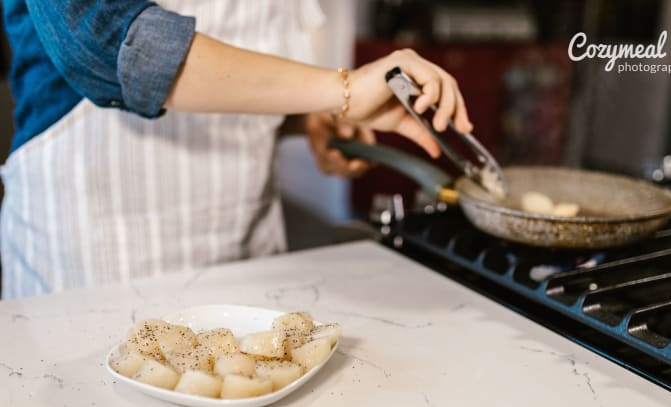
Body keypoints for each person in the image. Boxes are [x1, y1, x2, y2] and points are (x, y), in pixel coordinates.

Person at [0, 0, 473, 300]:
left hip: (250, 247)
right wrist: (340, 90)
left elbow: (241, 40)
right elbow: (108, 43)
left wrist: (305, 115)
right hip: (97, 254)